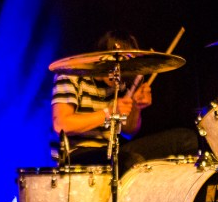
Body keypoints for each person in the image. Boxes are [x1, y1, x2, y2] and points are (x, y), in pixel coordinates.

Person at [51, 30, 200, 174]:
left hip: (111, 151)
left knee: (187, 139)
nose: (120, 70)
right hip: (77, 154)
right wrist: (109, 112)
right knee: (131, 162)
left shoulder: (122, 82)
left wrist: (136, 106)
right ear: (101, 58)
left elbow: (129, 131)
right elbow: (62, 124)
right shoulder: (71, 75)